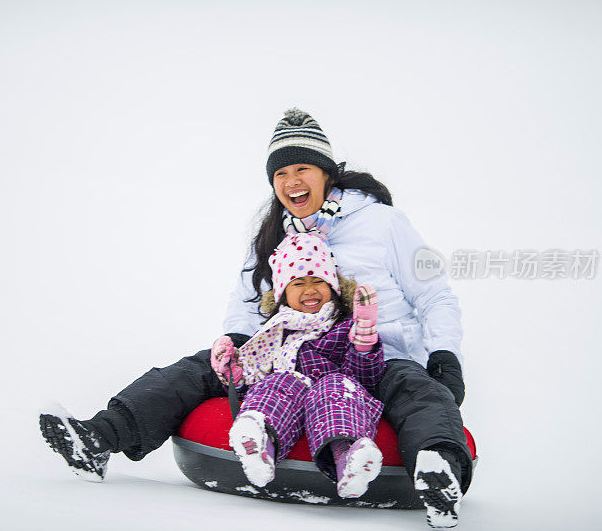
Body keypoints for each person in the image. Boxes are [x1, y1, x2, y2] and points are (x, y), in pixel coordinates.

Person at [40, 108, 471, 529]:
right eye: (280, 174)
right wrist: (234, 340)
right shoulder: (272, 234)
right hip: (291, 351)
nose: (291, 182)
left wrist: (444, 356)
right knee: (195, 369)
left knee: (420, 392)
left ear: (327, 174)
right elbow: (246, 300)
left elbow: (435, 296)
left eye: (302, 168)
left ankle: (440, 474)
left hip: (377, 353)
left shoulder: (384, 223)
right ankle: (99, 438)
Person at [214, 232, 385, 499]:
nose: (309, 290)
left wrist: (363, 345)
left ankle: (349, 460)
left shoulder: (344, 327)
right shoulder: (273, 332)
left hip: (333, 400)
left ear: (333, 288)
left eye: (319, 281)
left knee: (335, 386)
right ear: (283, 293)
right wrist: (235, 374)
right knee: (279, 382)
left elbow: (364, 380)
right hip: (288, 403)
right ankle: (258, 445)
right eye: (298, 283)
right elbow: (254, 381)